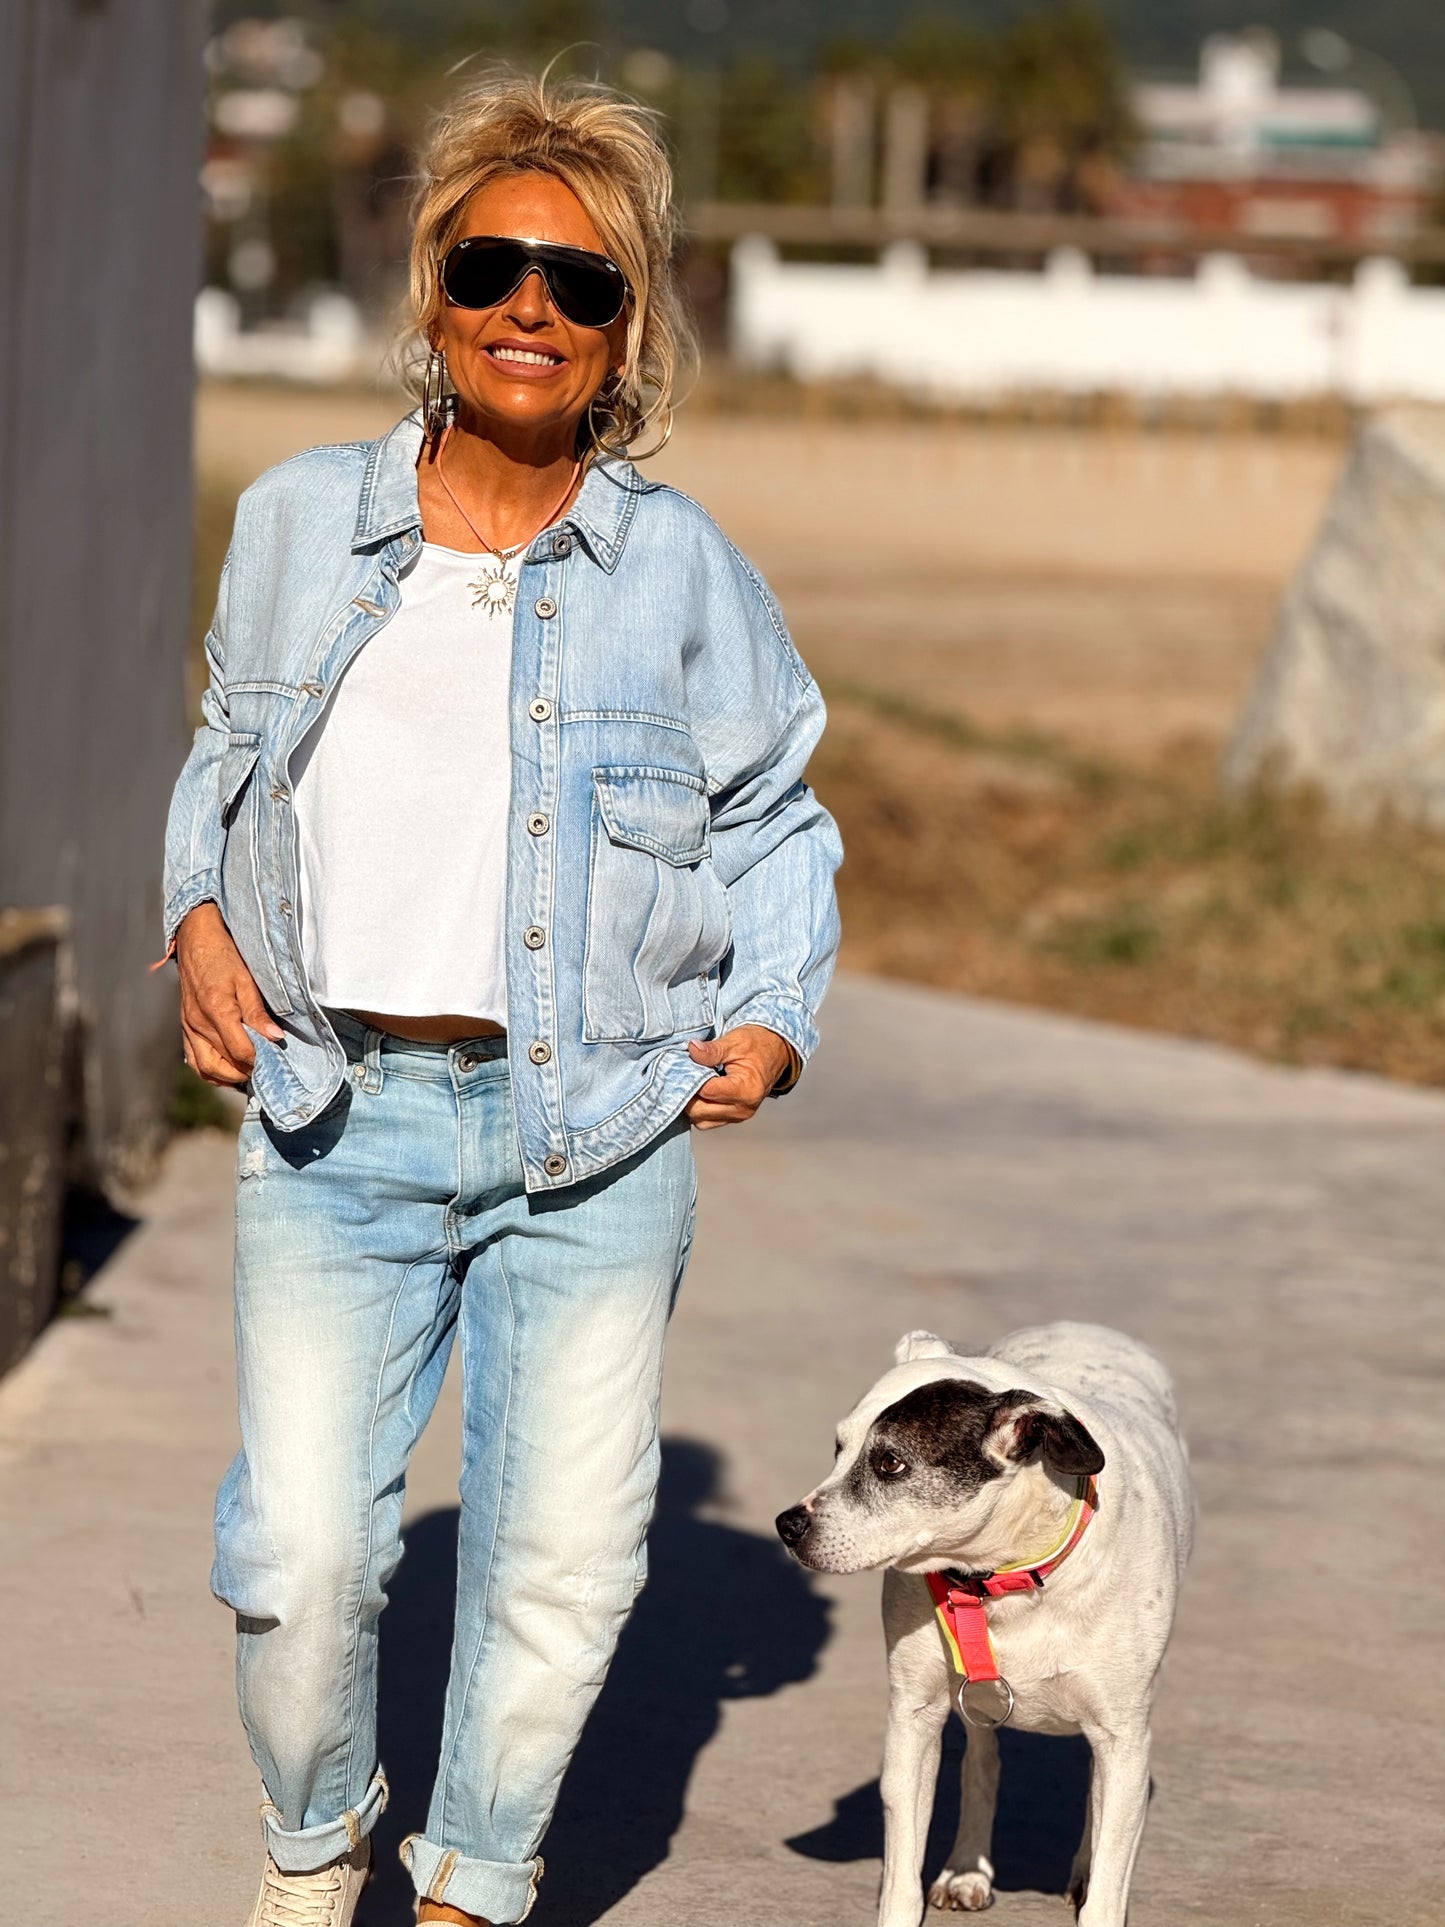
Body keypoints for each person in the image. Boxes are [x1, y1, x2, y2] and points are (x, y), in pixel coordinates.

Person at [163, 68, 840, 1927]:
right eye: (495, 266)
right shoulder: (304, 520)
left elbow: (776, 809)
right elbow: (228, 761)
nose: (532, 307)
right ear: (435, 292)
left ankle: (467, 1889)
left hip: (598, 1139)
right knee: (303, 1562)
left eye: (585, 282)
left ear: (629, 331)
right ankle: (314, 1860)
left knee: (555, 1566)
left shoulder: (680, 571)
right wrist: (199, 923)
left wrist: (774, 1013)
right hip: (332, 1120)